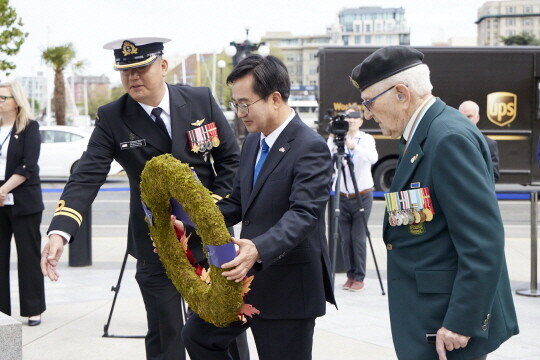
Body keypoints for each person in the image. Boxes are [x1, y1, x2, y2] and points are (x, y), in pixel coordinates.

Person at [39, 37, 246, 360]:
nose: (133, 77)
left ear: (163, 66)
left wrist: (208, 213)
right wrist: (59, 231)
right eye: (125, 71)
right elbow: (88, 173)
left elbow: (231, 160)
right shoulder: (113, 117)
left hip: (210, 238)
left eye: (140, 68)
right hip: (155, 242)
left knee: (222, 326)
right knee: (167, 335)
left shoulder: (199, 100)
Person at [350, 46, 519, 360]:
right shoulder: (425, 133)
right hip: (430, 315)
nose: (368, 114)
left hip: (448, 328)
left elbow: (483, 242)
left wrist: (461, 322)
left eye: (370, 102)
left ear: (402, 93)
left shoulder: (447, 137)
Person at [181, 54, 336, 360]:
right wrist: (188, 222)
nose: (239, 113)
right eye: (235, 104)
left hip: (288, 286)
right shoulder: (253, 142)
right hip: (246, 279)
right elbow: (238, 202)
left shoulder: (310, 146)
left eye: (245, 104)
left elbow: (303, 214)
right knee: (197, 336)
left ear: (275, 98)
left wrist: (258, 248)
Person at [0, 81, 45, 326]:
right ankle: (1, 311)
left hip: (22, 199)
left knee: (28, 255)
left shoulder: (29, 127)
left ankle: (33, 309)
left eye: (2, 98)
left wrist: (4, 189)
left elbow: (29, 165)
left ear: (16, 102)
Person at [327, 104, 377, 292]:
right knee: (345, 239)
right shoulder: (337, 138)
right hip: (342, 194)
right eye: (348, 118)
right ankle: (349, 275)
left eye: (355, 118)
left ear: (361, 120)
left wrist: (354, 147)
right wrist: (333, 138)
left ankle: (360, 277)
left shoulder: (366, 139)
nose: (352, 121)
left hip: (362, 194)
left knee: (358, 238)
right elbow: (327, 156)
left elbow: (372, 159)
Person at [458, 100, 500, 183]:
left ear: (477, 118)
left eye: (469, 116)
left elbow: (494, 176)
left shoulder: (489, 144)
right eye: (462, 116)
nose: (465, 120)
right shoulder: (450, 142)